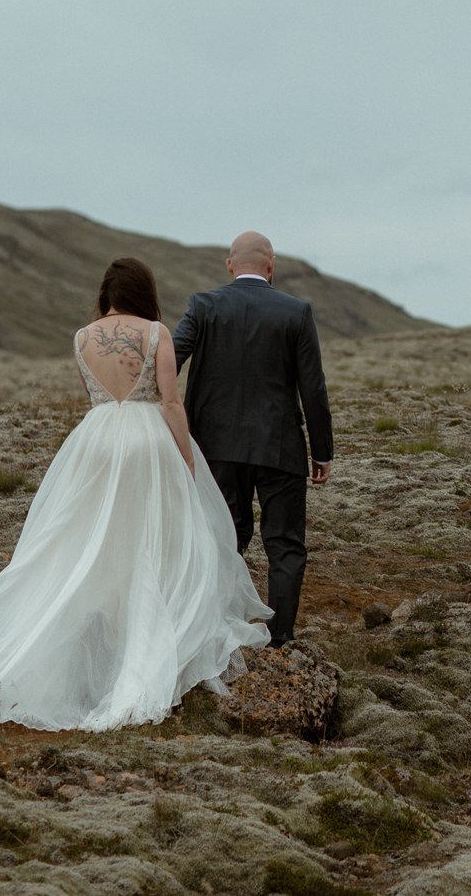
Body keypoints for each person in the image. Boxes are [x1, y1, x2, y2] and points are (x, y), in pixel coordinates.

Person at [0, 258, 270, 730]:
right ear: (143, 292)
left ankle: (100, 630)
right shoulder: (156, 333)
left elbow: (96, 396)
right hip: (148, 442)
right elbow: (171, 401)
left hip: (96, 442)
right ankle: (150, 630)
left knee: (88, 536)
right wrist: (187, 459)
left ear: (106, 294)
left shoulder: (81, 338)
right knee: (156, 537)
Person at [172, 231, 334, 647]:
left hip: (215, 448)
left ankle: (214, 630)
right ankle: (280, 639)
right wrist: (321, 451)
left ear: (230, 265)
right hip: (280, 447)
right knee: (285, 545)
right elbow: (313, 387)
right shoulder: (296, 312)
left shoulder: (203, 306)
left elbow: (169, 360)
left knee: (223, 539)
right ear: (271, 264)